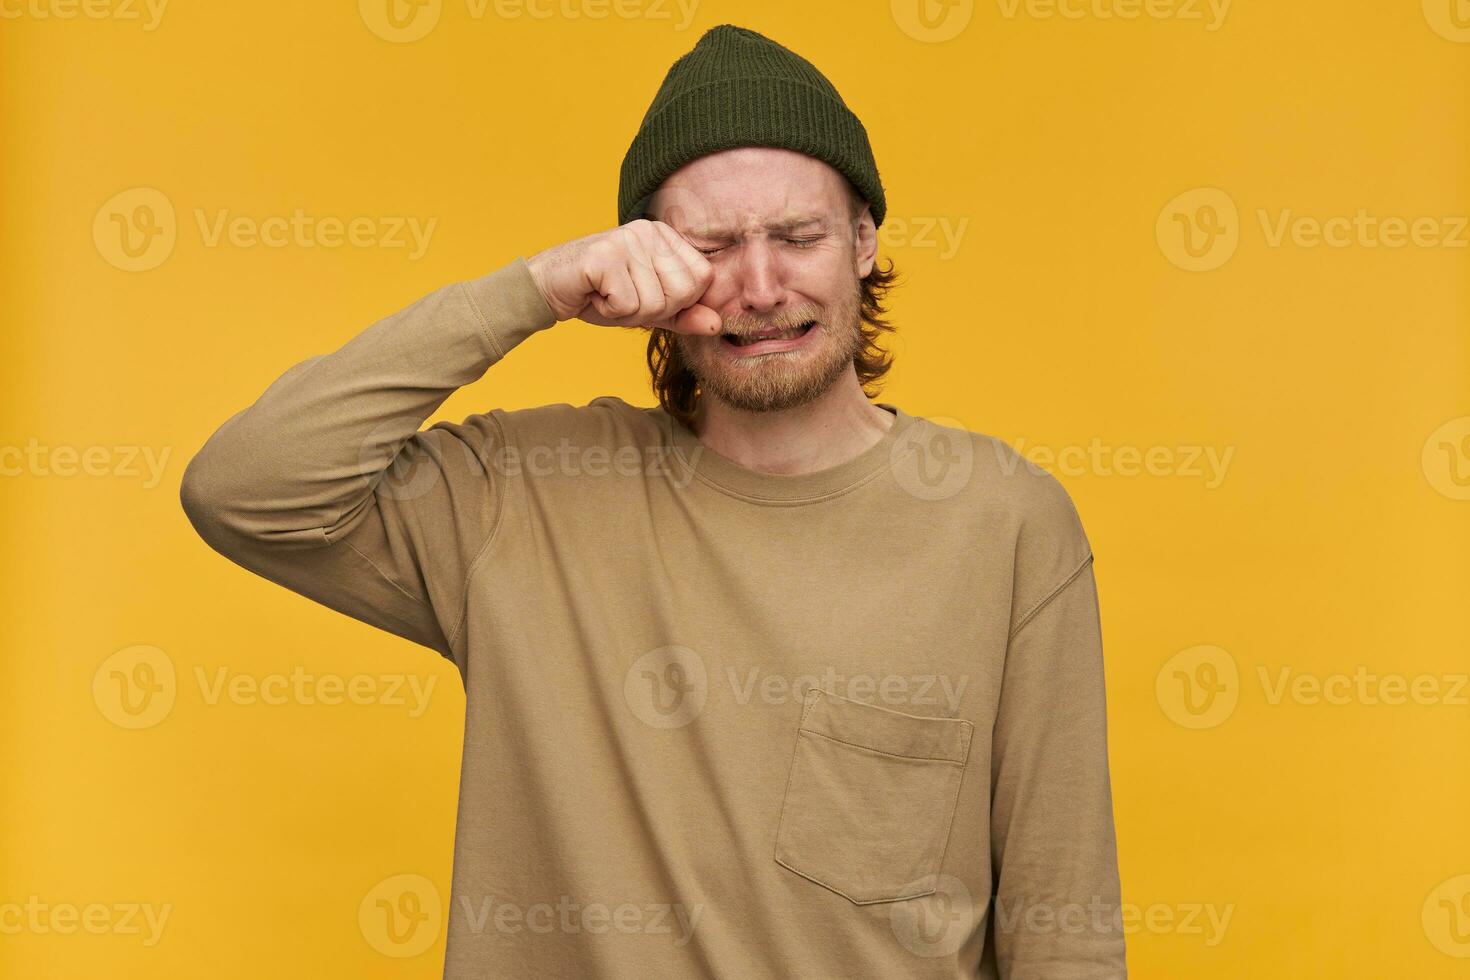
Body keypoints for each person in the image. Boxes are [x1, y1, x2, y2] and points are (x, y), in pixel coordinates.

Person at [180, 23, 1126, 979]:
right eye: (713, 247)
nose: (760, 286)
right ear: (644, 267)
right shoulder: (525, 495)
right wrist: (535, 291)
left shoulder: (1003, 521)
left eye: (798, 237)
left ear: (864, 241)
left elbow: (1066, 934)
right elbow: (245, 489)